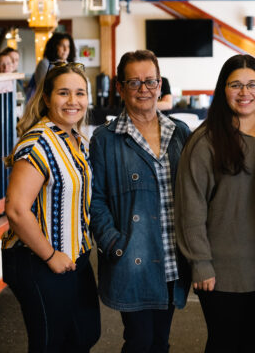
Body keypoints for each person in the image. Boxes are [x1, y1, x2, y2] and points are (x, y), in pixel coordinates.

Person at [175, 54, 255, 352]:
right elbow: (190, 208)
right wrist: (200, 263)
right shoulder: (205, 140)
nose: (244, 92)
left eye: (253, 84)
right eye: (235, 84)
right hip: (220, 271)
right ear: (222, 90)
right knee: (224, 344)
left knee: (253, 343)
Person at [89, 50, 191, 353]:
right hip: (132, 257)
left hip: (173, 258)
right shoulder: (105, 139)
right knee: (138, 341)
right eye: (134, 82)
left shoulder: (180, 133)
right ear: (120, 88)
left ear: (160, 85)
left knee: (160, 341)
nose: (143, 89)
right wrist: (115, 244)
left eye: (150, 81)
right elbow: (95, 200)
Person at [2, 62, 101, 352]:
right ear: (47, 98)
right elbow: (16, 209)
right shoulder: (38, 143)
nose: (73, 101)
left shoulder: (75, 139)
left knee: (84, 335)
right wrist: (50, 255)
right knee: (50, 344)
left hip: (75, 256)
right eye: (64, 93)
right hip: (39, 259)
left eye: (80, 93)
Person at [27, 32, 76, 100]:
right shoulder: (45, 63)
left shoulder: (70, 65)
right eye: (62, 45)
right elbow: (43, 88)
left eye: (68, 46)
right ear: (54, 47)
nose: (65, 49)